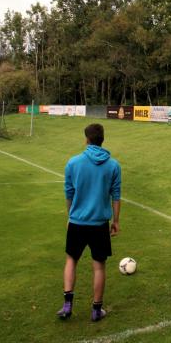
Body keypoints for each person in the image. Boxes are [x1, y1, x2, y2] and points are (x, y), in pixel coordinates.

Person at [56, 123, 121, 322]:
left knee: (71, 260)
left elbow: (69, 194)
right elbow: (116, 196)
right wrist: (116, 221)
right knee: (99, 267)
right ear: (102, 139)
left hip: (77, 222)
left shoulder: (73, 163)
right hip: (99, 224)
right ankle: (96, 310)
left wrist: (70, 215)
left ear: (87, 139)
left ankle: (67, 305)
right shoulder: (113, 165)